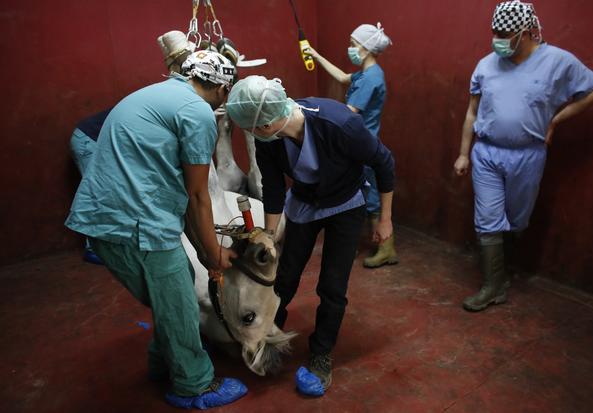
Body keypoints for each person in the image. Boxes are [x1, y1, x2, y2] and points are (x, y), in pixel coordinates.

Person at [65, 50, 248, 409]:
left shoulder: (153, 94)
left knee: (171, 290)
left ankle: (164, 361)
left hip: (109, 216)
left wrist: (206, 249)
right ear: (224, 89)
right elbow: (197, 195)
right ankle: (194, 385)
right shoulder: (198, 113)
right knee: (179, 303)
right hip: (136, 223)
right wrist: (213, 255)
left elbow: (184, 193)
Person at [225, 75, 395, 396]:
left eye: (249, 129)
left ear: (263, 125)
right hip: (304, 202)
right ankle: (269, 333)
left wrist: (385, 219)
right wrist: (269, 236)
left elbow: (384, 162)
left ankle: (321, 353)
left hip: (346, 203)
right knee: (284, 276)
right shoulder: (269, 141)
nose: (249, 134)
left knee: (332, 285)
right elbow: (273, 188)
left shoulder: (340, 125)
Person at [454, 0, 593, 312]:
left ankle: (505, 271)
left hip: (527, 155)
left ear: (525, 33)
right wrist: (463, 154)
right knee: (488, 219)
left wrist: (556, 120)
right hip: (486, 153)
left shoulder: (558, 62)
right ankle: (492, 286)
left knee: (517, 218)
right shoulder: (485, 65)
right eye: (495, 31)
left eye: (505, 33)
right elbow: (471, 113)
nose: (497, 38)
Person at [305, 23, 398, 268]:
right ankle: (374, 242)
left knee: (368, 193)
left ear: (366, 49)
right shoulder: (367, 74)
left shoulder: (371, 78)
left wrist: (317, 109)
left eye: (353, 45)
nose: (350, 49)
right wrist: (317, 56)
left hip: (362, 142)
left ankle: (385, 246)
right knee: (363, 190)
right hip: (357, 140)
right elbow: (343, 77)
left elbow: (350, 111)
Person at [69, 108, 112, 265]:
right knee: (98, 193)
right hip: (89, 141)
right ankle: (93, 249)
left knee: (106, 192)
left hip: (98, 141)